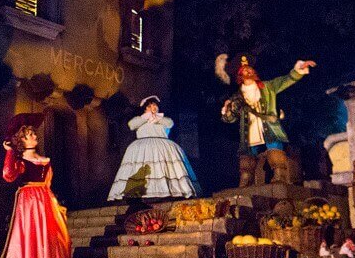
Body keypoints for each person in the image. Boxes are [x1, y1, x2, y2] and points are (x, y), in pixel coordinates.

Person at [217, 54, 317, 186]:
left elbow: (286, 80)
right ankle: (246, 180)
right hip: (249, 128)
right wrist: (226, 110)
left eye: (250, 69)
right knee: (247, 155)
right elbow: (230, 118)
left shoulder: (268, 87)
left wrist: (298, 70)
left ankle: (279, 175)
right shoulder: (237, 97)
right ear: (240, 76)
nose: (249, 71)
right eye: (245, 71)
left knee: (274, 147)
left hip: (268, 124)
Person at [0, 113, 71, 258]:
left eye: (33, 133)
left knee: (51, 237)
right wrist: (9, 152)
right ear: (20, 140)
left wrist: (55, 204)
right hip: (28, 202)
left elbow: (48, 183)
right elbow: (8, 175)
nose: (34, 136)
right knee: (30, 237)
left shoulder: (45, 161)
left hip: (45, 200)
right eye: (28, 134)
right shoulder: (20, 161)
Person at [108, 96, 199, 200]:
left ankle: (169, 191)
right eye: (150, 105)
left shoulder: (162, 119)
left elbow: (170, 123)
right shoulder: (140, 119)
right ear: (145, 108)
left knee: (163, 168)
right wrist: (145, 117)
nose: (153, 107)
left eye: (155, 105)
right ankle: (142, 193)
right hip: (143, 147)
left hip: (162, 146)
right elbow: (131, 125)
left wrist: (158, 118)